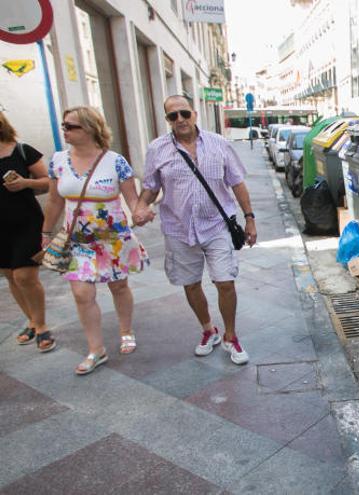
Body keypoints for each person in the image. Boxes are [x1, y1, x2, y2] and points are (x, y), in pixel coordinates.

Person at [134, 95, 257, 365]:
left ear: (194, 113)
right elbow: (151, 186)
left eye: (184, 114)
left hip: (216, 225)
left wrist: (249, 218)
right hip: (178, 228)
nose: (179, 120)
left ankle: (230, 335)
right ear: (167, 120)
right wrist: (141, 205)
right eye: (172, 116)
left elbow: (237, 183)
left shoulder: (219, 144)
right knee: (190, 284)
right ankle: (207, 330)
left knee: (225, 282)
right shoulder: (157, 149)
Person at [41, 107, 148, 375]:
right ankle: (95, 349)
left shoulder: (115, 161)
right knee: (81, 293)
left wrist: (141, 211)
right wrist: (45, 233)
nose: (64, 129)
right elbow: (55, 201)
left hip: (112, 238)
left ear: (90, 128)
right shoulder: (57, 161)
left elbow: (133, 201)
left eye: (70, 126)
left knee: (119, 287)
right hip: (78, 240)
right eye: (64, 125)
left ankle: (126, 330)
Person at [0, 112, 55, 352]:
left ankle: (41, 325)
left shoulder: (21, 150)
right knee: (11, 275)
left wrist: (25, 183)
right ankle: (31, 321)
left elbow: (48, 181)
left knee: (25, 276)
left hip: (27, 222)